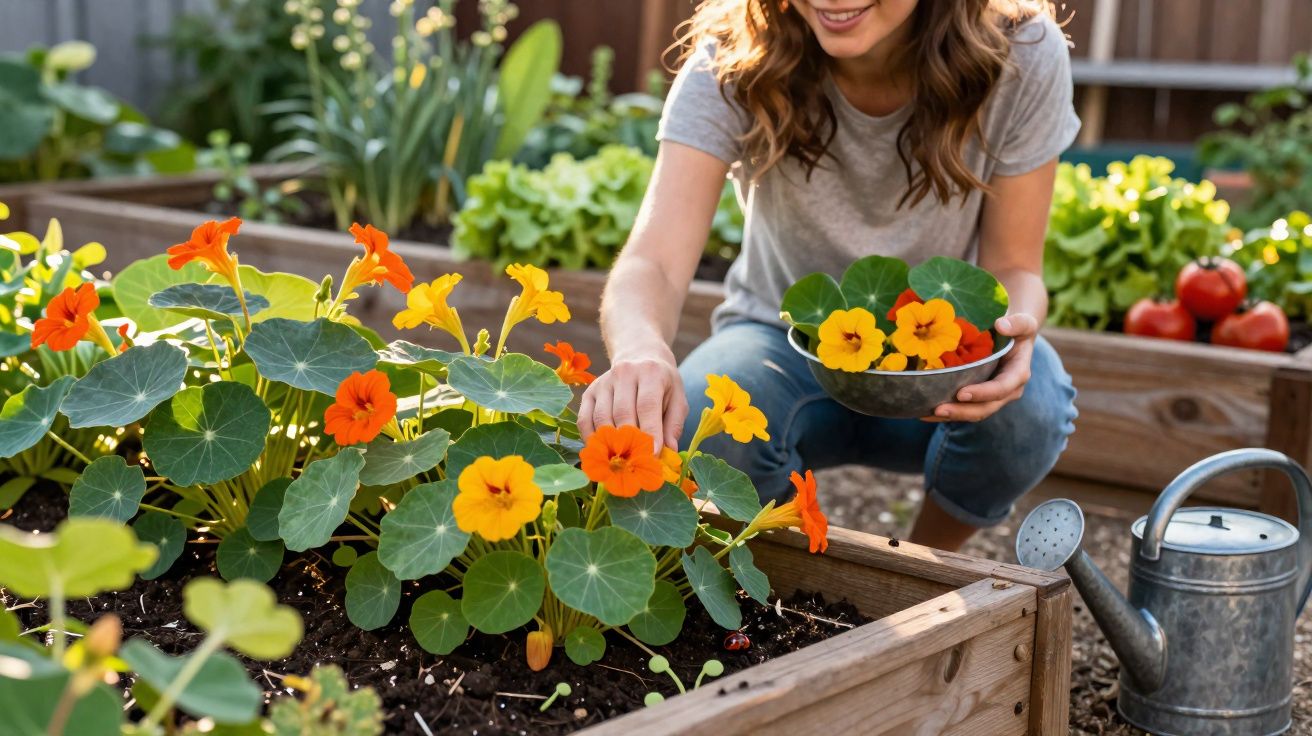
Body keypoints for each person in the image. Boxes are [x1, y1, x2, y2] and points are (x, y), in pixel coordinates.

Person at [578, 0, 1079, 552]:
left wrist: (1017, 329)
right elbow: (654, 259)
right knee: (702, 414)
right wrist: (641, 351)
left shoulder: (1021, 51)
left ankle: (928, 564)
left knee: (1033, 405)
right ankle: (782, 576)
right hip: (781, 347)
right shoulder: (734, 51)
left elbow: (1014, 266)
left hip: (935, 367)